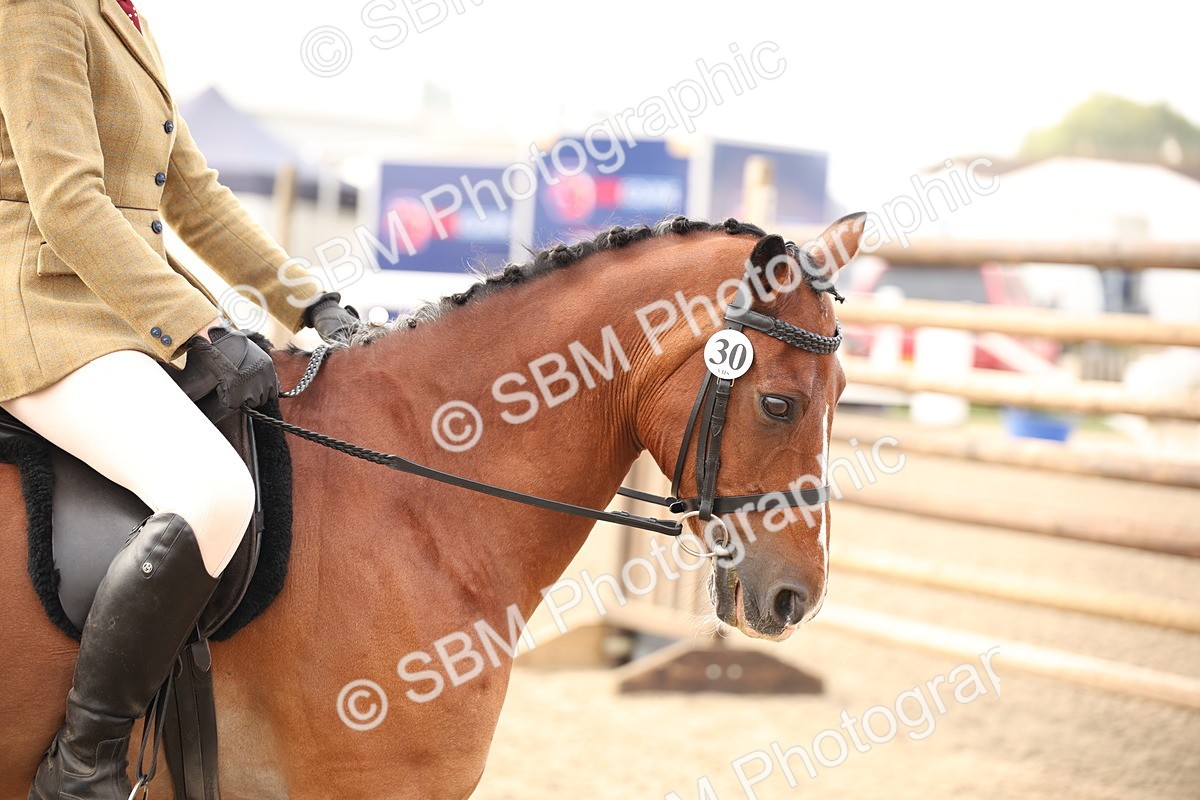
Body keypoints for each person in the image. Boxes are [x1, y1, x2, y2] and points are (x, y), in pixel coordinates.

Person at [0, 0, 359, 796]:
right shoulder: (38, 9)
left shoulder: (120, 16)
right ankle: (81, 769)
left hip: (117, 310)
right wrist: (198, 330)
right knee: (211, 491)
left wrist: (305, 301)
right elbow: (65, 201)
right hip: (45, 310)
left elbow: (192, 195)